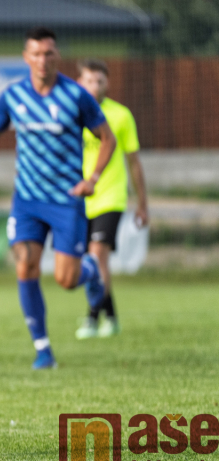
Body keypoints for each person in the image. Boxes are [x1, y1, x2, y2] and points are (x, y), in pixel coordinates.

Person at [0, 27, 116, 370]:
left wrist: (92, 179)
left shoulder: (75, 96)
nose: (42, 60)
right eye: (36, 54)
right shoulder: (13, 96)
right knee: (25, 265)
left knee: (66, 279)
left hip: (66, 201)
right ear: (26, 57)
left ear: (57, 56)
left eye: (48, 53)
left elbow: (108, 139)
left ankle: (91, 271)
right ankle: (43, 349)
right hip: (27, 200)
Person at [75, 59, 149, 339]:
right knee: (91, 261)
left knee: (97, 257)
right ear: (80, 82)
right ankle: (112, 317)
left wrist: (142, 203)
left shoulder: (120, 115)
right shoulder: (72, 115)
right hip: (80, 200)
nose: (94, 86)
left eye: (100, 81)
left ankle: (92, 318)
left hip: (110, 196)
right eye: (89, 81)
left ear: (108, 83)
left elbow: (134, 162)